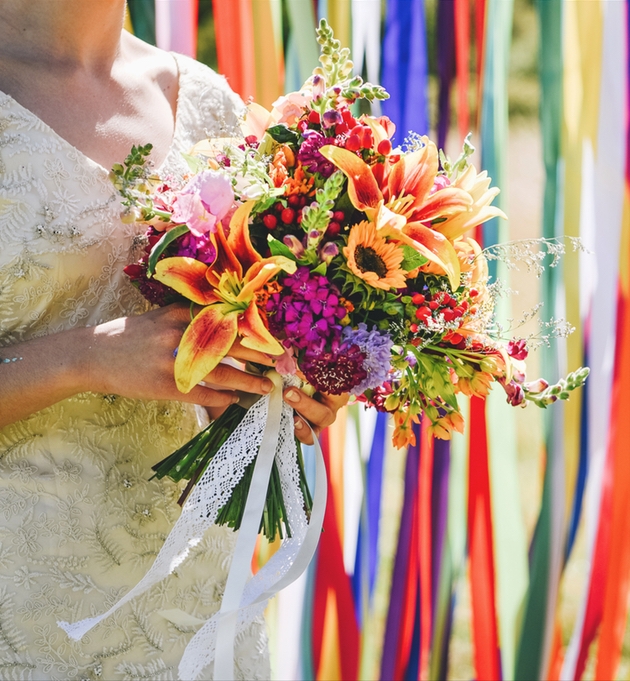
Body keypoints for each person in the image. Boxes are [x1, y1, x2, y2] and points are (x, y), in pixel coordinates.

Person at [0, 2, 344, 678]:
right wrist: (85, 356)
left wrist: (285, 388)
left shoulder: (208, 102)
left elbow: (246, 322)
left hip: (190, 613)